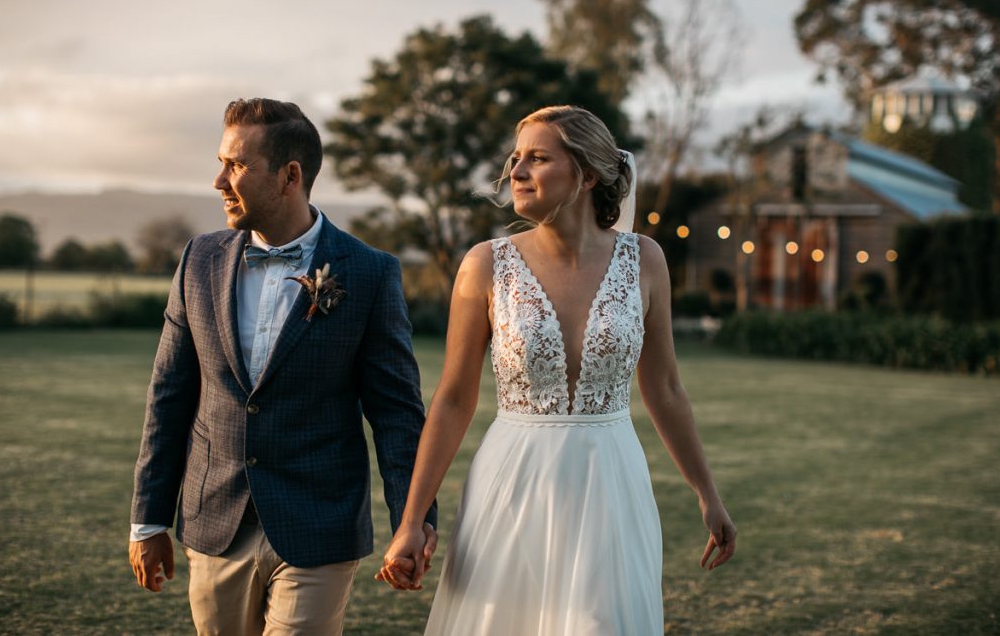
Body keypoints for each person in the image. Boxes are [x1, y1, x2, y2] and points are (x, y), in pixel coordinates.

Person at [375, 105, 736, 634]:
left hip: (611, 481)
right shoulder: (484, 265)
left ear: (588, 174)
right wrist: (411, 522)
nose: (516, 171)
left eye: (538, 158)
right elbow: (453, 399)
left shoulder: (646, 260)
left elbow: (665, 389)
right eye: (515, 158)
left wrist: (708, 494)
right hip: (513, 481)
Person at [128, 97, 436, 636]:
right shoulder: (197, 260)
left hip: (320, 525)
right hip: (215, 522)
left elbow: (397, 416)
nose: (219, 180)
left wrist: (414, 523)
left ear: (290, 175)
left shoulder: (368, 272)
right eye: (222, 162)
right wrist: (149, 517)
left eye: (237, 165)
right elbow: (169, 395)